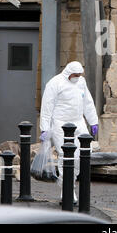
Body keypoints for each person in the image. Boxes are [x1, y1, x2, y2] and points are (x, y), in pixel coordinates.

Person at [40, 61, 99, 204]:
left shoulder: (81, 82)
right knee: (66, 156)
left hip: (78, 123)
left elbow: (87, 102)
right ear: (68, 73)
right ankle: (67, 190)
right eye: (75, 75)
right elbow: (47, 106)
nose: (77, 77)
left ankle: (71, 182)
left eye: (79, 75)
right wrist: (45, 128)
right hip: (61, 124)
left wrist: (93, 121)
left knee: (83, 155)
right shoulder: (55, 83)